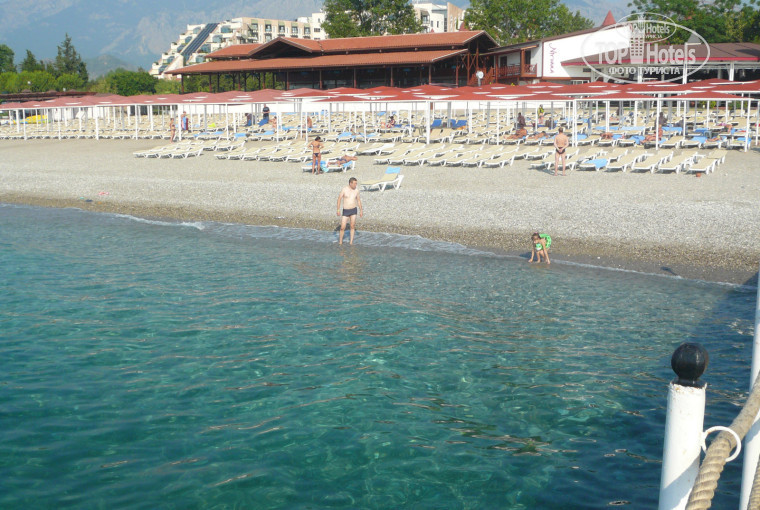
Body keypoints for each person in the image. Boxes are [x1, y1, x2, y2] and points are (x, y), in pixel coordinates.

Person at [337, 177, 363, 245]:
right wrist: (338, 209)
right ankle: (340, 242)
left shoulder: (356, 190)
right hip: (346, 210)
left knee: (352, 226)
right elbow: (339, 199)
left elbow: (358, 200)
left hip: (353, 210)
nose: (355, 185)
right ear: (350, 183)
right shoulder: (344, 189)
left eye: (356, 183)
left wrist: (361, 210)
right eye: (354, 183)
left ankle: (351, 242)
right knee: (342, 227)